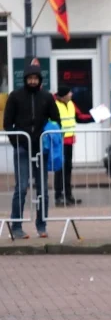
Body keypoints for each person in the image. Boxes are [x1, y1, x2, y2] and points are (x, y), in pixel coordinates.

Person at [3, 64, 61, 239]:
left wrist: (47, 138)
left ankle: (41, 225)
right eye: (30, 79)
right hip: (22, 147)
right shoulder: (15, 96)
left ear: (40, 80)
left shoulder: (46, 97)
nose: (33, 81)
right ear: (26, 79)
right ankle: (17, 226)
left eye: (36, 79)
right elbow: (7, 123)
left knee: (42, 188)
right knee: (21, 188)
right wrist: (16, 142)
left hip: (40, 149)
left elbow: (56, 119)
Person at [54, 85, 94, 207]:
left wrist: (94, 118)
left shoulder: (71, 104)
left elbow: (80, 117)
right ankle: (59, 196)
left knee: (68, 168)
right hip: (58, 141)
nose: (71, 94)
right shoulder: (54, 105)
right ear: (63, 95)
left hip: (69, 140)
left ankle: (68, 195)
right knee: (59, 170)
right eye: (69, 93)